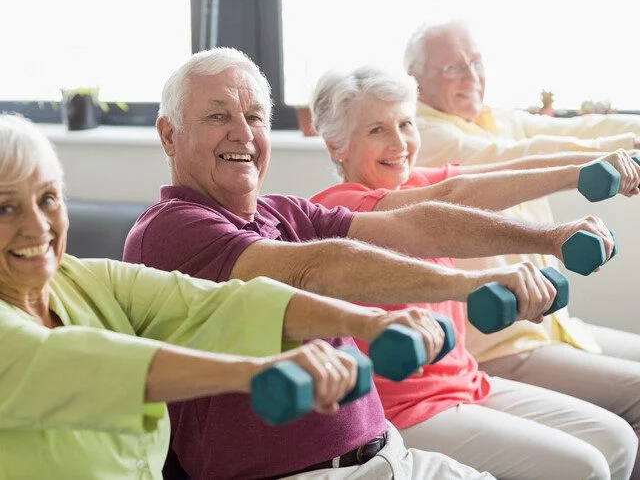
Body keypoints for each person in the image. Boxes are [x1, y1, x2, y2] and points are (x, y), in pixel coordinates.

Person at [122, 47, 614, 480]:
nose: (242, 134)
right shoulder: (170, 228)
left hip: (388, 456)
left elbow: (417, 224)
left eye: (254, 117)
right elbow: (308, 269)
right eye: (217, 117)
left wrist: (550, 238)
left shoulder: (284, 211)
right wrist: (472, 282)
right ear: (169, 135)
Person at [0, 113, 458, 479]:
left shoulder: (81, 281)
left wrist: (368, 323)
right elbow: (87, 363)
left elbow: (221, 302)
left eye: (48, 200)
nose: (37, 227)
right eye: (5, 207)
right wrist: (258, 371)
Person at [309, 64, 639, 480]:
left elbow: (509, 170)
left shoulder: (410, 185)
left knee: (617, 440)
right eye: (377, 130)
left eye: (406, 124)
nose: (400, 143)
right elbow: (454, 195)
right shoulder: (338, 208)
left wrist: (603, 162)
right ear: (336, 145)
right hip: (401, 410)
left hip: (465, 382)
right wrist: (554, 228)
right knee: (585, 466)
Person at [405, 20, 640, 478]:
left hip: (552, 326)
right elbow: (524, 154)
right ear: (417, 81)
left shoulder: (495, 118)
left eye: (475, 62)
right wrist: (610, 154)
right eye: (453, 67)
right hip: (499, 342)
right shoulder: (422, 136)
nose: (470, 75)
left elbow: (587, 124)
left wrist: (630, 134)